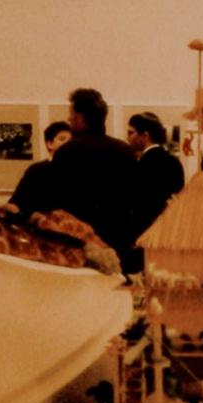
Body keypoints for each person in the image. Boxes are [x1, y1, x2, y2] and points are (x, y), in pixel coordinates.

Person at [49, 88, 139, 264]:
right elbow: (133, 198)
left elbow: (57, 201)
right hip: (117, 239)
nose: (69, 119)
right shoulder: (125, 152)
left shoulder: (67, 153)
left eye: (72, 114)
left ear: (81, 118)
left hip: (77, 240)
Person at [125, 111, 185, 271]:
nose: (128, 138)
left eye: (131, 133)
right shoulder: (174, 162)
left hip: (142, 232)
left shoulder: (140, 165)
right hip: (168, 232)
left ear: (145, 135)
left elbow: (134, 202)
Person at [7, 121, 71, 216]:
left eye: (71, 140)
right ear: (50, 144)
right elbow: (17, 202)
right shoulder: (36, 170)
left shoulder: (77, 170)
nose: (68, 144)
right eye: (62, 139)